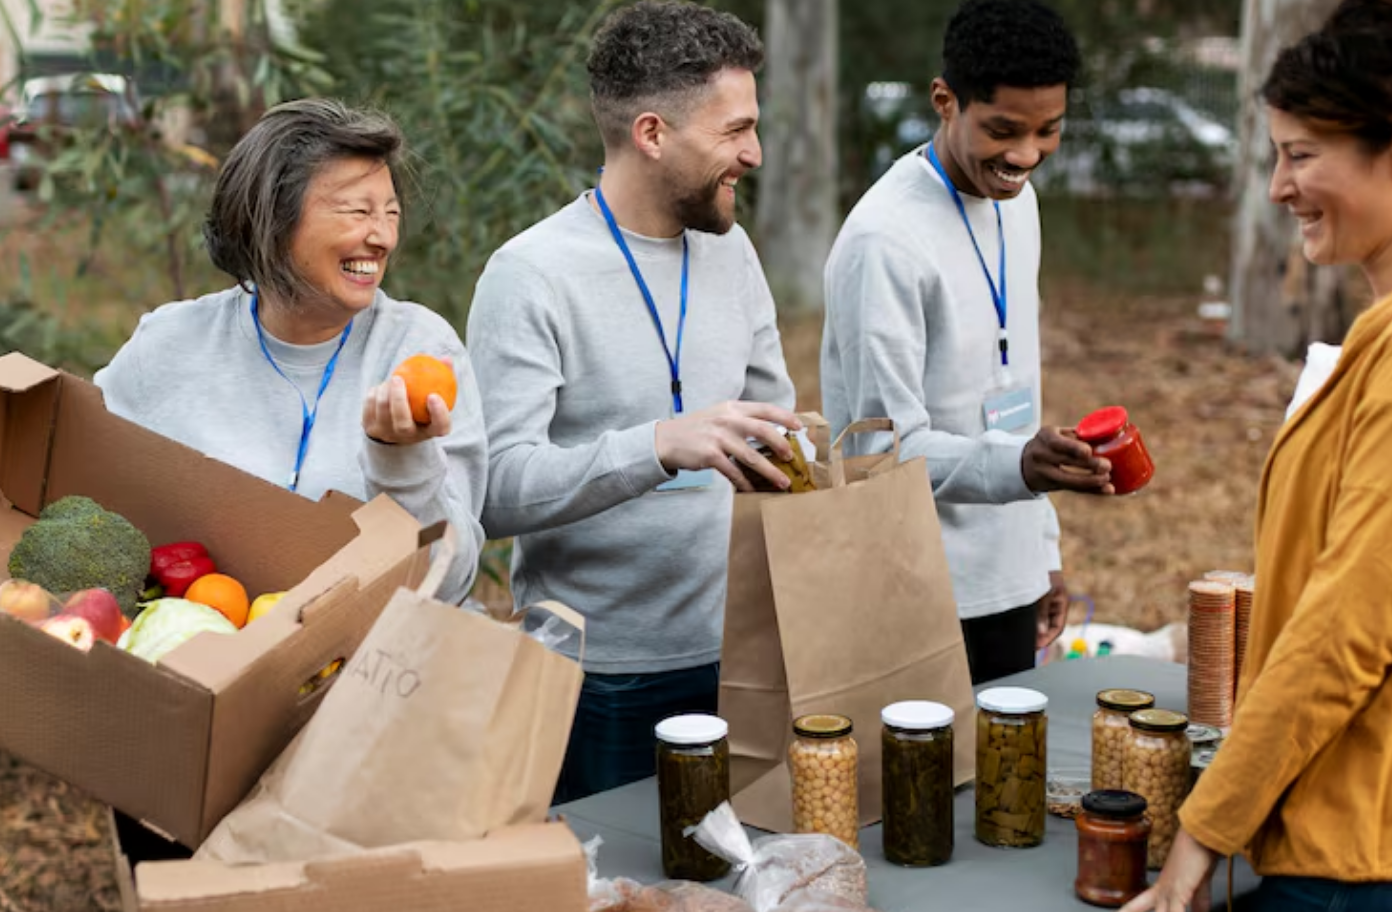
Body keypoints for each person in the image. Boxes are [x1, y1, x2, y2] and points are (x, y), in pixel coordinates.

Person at [466, 0, 798, 803]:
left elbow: (775, 423)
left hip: (743, 661)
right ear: (652, 134)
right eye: (734, 130)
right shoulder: (531, 275)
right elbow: (492, 491)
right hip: (598, 682)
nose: (754, 153)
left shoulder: (733, 249)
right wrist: (655, 448)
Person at [1124, 3, 1392, 910]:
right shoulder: (1370, 336)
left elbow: (1344, 633)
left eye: (1302, 154)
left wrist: (1203, 833)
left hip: (1352, 861)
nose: (1279, 187)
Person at [95, 98, 487, 601]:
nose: (384, 236)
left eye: (390, 213)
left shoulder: (420, 353)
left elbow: (447, 581)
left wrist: (403, 461)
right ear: (273, 222)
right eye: (357, 212)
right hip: (194, 655)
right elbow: (83, 494)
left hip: (365, 668)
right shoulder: (168, 347)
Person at [820, 0, 1108, 685]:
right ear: (945, 102)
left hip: (1007, 578)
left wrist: (1038, 553)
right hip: (916, 588)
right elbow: (877, 452)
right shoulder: (884, 240)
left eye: (1049, 131)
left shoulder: (1018, 201)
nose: (1026, 156)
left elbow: (1016, 394)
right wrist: (1023, 469)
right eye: (1003, 130)